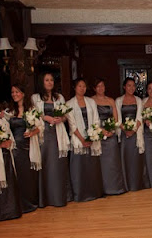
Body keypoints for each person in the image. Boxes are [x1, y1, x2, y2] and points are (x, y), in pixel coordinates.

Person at [32, 72, 71, 207]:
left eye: (51, 80)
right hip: (43, 134)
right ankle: (45, 199)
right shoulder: (35, 97)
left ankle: (58, 197)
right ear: (41, 82)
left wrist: (62, 119)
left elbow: (66, 115)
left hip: (57, 133)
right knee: (45, 163)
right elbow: (33, 114)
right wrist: (45, 118)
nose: (49, 82)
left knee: (57, 164)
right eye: (46, 80)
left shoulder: (59, 97)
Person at [67, 78, 104, 201]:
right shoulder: (69, 104)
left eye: (84, 86)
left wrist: (93, 135)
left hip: (92, 138)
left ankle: (94, 193)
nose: (82, 88)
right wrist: (82, 139)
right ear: (75, 88)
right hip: (79, 139)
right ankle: (80, 194)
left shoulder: (91, 102)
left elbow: (96, 119)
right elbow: (72, 125)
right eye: (79, 86)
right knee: (79, 168)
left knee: (92, 167)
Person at [7, 84, 41, 213]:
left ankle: (30, 202)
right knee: (18, 175)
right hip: (15, 148)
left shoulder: (31, 109)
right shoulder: (10, 111)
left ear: (23, 94)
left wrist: (32, 132)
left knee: (28, 176)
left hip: (28, 147)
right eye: (12, 92)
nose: (14, 94)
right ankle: (19, 204)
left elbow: (40, 127)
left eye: (17, 91)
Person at [92, 78, 126, 195]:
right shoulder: (91, 101)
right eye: (98, 86)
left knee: (112, 162)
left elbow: (116, 118)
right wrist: (101, 130)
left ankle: (114, 187)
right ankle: (101, 188)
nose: (101, 88)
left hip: (111, 134)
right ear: (94, 88)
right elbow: (91, 119)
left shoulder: (111, 100)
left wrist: (112, 129)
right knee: (99, 163)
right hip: (98, 134)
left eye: (103, 86)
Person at [116, 77, 150, 191]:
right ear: (124, 87)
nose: (131, 88)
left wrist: (133, 130)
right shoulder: (118, 101)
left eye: (133, 86)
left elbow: (140, 117)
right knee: (125, 159)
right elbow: (117, 118)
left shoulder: (138, 100)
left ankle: (136, 184)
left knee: (136, 160)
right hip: (124, 134)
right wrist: (125, 130)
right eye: (129, 85)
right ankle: (126, 185)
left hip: (136, 134)